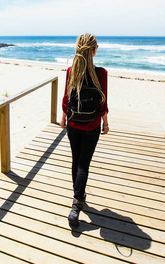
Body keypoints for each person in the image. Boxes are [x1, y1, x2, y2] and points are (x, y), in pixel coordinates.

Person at [60, 33, 109, 227]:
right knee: (83, 164)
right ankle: (77, 202)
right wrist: (105, 122)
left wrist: (63, 117)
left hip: (73, 123)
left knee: (76, 160)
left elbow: (66, 97)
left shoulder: (72, 70)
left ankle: (78, 195)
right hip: (91, 124)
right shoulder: (101, 73)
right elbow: (102, 102)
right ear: (94, 51)